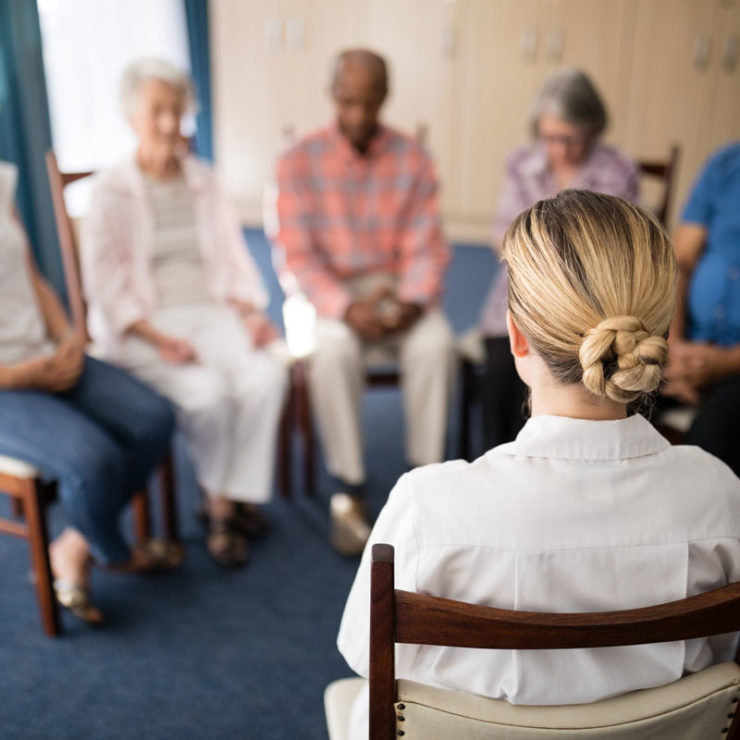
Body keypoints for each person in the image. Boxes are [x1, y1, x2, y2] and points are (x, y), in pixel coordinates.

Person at [337, 190, 740, 738]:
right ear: (660, 334)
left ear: (517, 337)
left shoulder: (428, 508)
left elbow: (363, 653)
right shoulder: (719, 496)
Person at [81, 58, 288, 568]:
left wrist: (249, 311)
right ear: (131, 117)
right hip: (146, 324)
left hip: (211, 308)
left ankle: (234, 494)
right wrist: (156, 336)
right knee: (208, 394)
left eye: (178, 110)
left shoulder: (204, 178)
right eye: (158, 111)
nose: (171, 123)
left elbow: (235, 257)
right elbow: (104, 283)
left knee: (267, 375)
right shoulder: (109, 191)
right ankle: (222, 509)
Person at [274, 49, 455, 556]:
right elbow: (295, 257)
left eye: (369, 104)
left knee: (437, 344)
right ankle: (348, 489)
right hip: (328, 292)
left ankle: (426, 483)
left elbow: (427, 246)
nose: (357, 115)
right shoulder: (298, 159)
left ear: (385, 99)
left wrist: (413, 303)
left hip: (395, 289)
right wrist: (343, 306)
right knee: (330, 348)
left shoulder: (413, 157)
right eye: (348, 102)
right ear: (334, 96)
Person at [0, 159, 177, 625]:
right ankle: (110, 550)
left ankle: (75, 541)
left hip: (46, 354)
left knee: (154, 417)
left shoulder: (1, 179)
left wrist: (66, 336)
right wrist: (20, 376)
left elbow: (31, 274)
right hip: (6, 383)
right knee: (95, 462)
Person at [478, 68, 638, 451]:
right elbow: (504, 234)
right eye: (550, 138)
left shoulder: (618, 170)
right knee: (501, 368)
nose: (561, 150)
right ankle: (500, 459)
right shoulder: (521, 162)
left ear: (594, 128)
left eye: (572, 139)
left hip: (591, 300)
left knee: (585, 369)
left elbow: (619, 249)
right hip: (521, 292)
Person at [662, 141, 740, 476]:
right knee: (607, 397)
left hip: (735, 364)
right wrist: (673, 345)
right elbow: (680, 262)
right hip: (687, 343)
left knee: (710, 441)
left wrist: (723, 364)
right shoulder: (725, 164)